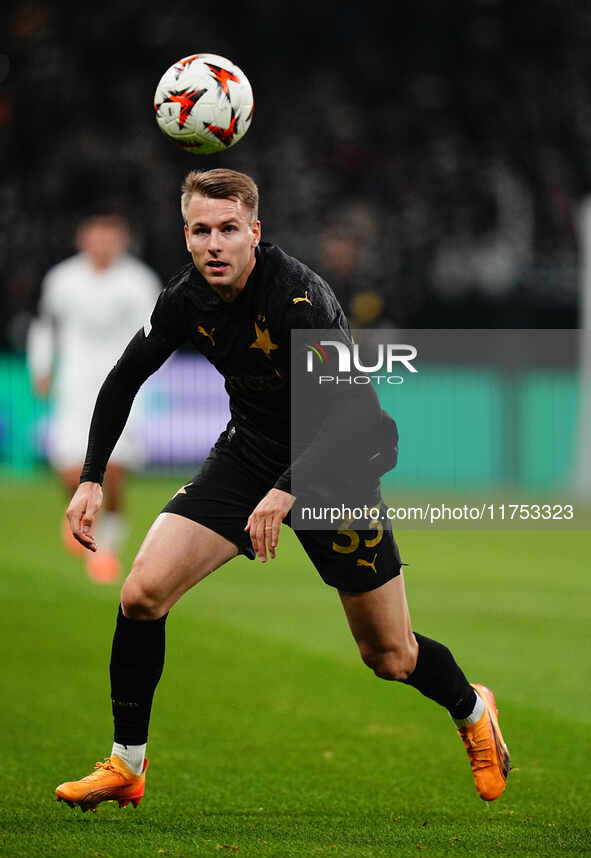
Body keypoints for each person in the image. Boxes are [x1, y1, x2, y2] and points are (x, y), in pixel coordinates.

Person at [55, 169, 510, 812]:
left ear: (255, 233)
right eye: (201, 230)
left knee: (389, 655)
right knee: (141, 593)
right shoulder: (186, 297)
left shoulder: (300, 298)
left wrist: (289, 489)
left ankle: (472, 711)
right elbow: (124, 377)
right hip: (252, 452)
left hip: (339, 461)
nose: (215, 244)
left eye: (229, 230)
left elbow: (348, 409)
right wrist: (92, 478)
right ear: (186, 235)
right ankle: (127, 764)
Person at [27, 213, 161, 582]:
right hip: (75, 385)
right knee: (70, 471)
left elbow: (158, 330)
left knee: (114, 472)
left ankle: (107, 548)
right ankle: (79, 513)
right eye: (96, 235)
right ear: (82, 238)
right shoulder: (62, 280)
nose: (103, 242)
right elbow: (45, 326)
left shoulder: (139, 282)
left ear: (122, 240)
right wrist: (41, 367)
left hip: (125, 385)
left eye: (111, 235)